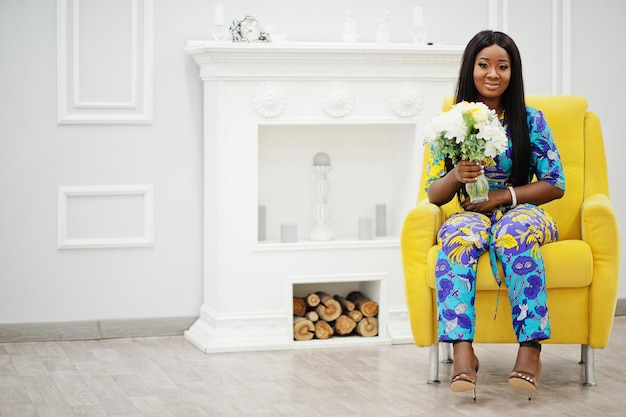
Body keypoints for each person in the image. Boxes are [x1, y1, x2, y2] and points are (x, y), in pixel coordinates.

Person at [425, 30, 566, 399]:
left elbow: (555, 183)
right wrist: (456, 175)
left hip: (522, 212)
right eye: (484, 64)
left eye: (502, 66)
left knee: (513, 232)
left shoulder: (531, 120)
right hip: (470, 215)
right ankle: (462, 353)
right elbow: (434, 195)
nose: (493, 73)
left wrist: (503, 196)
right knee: (456, 236)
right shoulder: (453, 121)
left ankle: (531, 350)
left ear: (512, 72)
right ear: (470, 68)